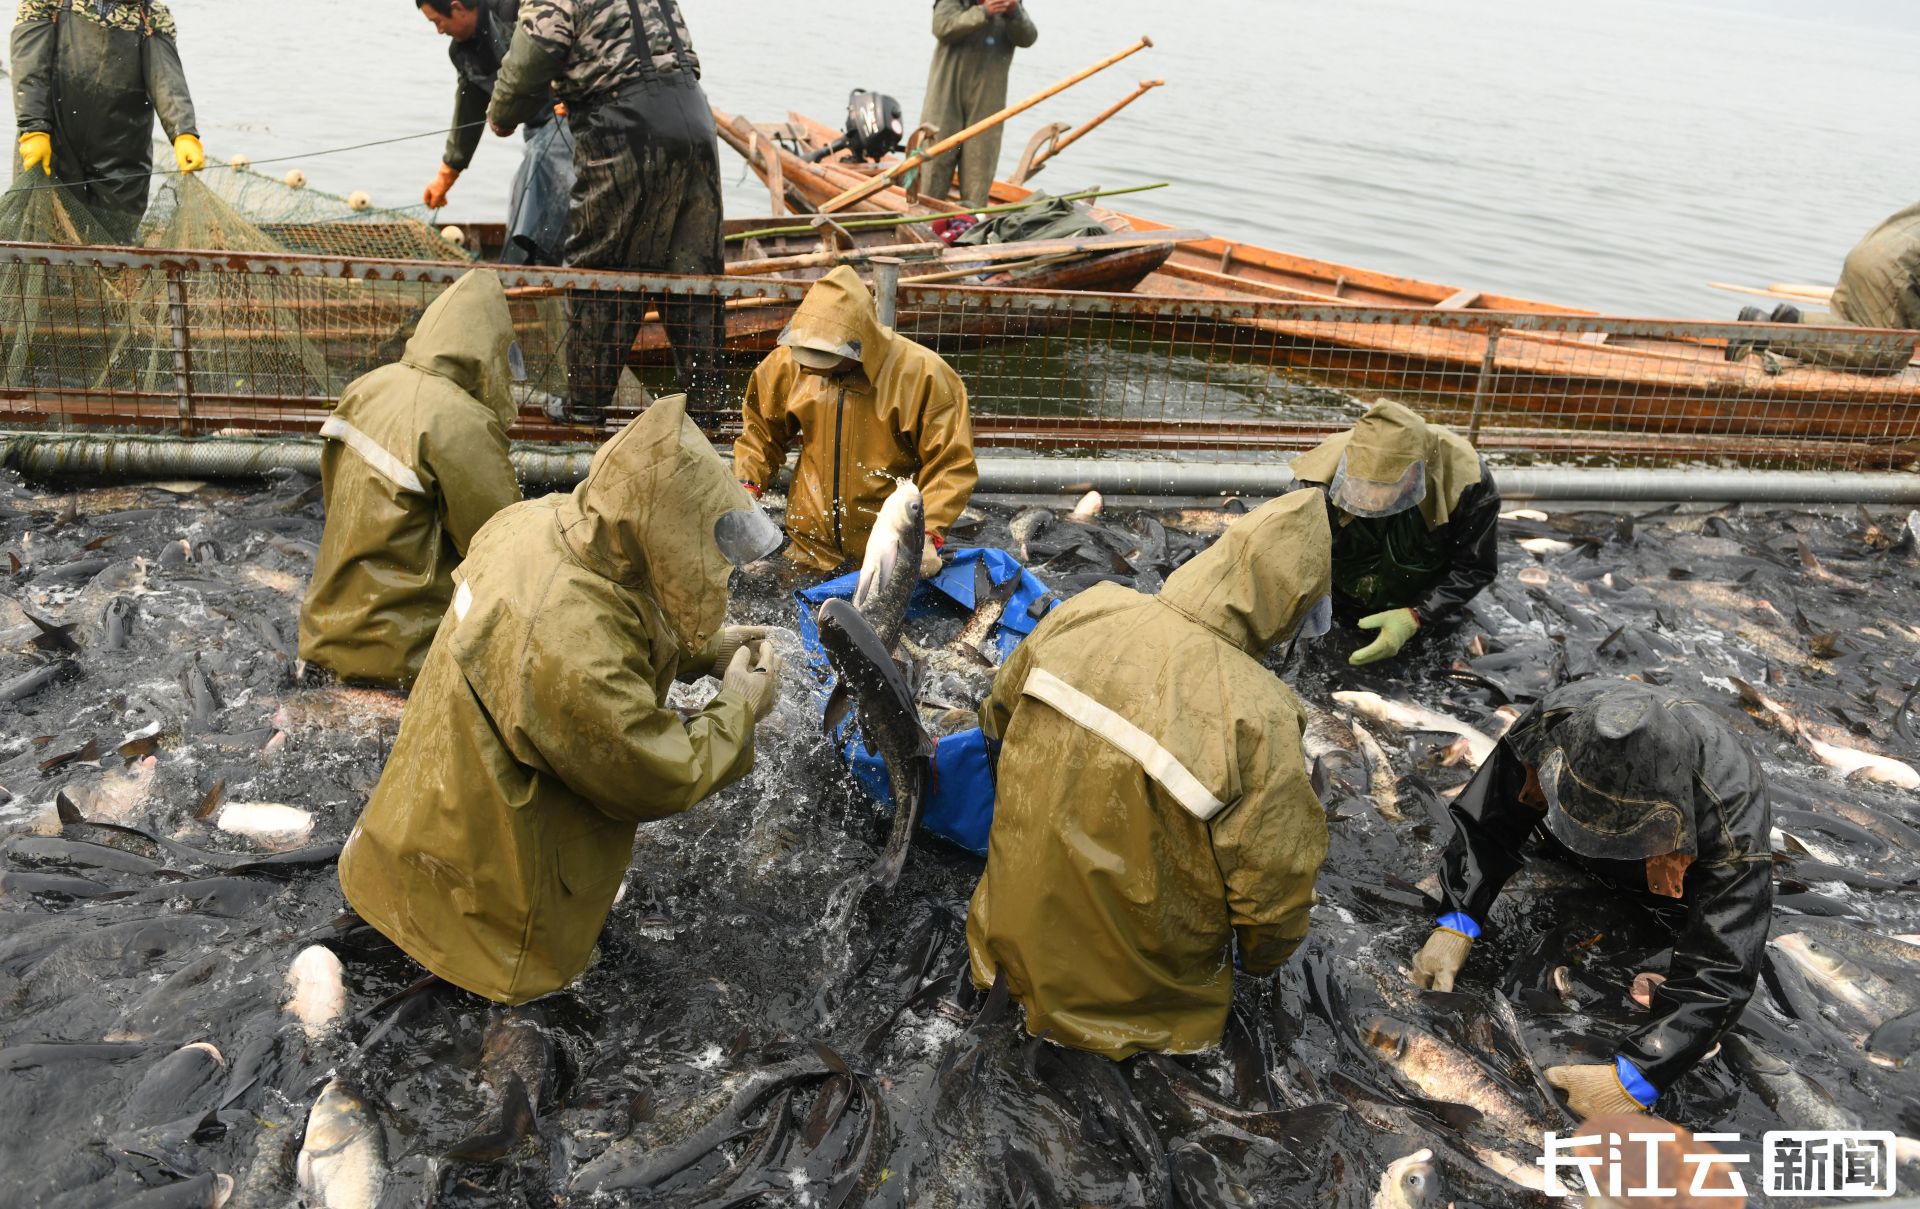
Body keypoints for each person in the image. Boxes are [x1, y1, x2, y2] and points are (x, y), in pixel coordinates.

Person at [338, 395, 788, 1005]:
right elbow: (655, 771)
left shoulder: (538, 522)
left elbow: (616, 607)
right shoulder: (568, 638)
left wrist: (699, 650)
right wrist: (736, 706)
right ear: (663, 528)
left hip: (415, 837)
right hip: (483, 922)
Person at [966, 489, 1334, 1059]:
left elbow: (995, 719)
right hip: (1137, 1012)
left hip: (997, 951)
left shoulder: (1092, 608)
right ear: (1292, 605)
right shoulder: (1261, 715)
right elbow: (1273, 896)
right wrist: (1262, 959)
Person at [1408, 679, 1772, 1119]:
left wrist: (1640, 1075)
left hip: (1665, 887)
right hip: (1561, 844)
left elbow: (1723, 965)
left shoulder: (1730, 810)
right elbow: (1488, 823)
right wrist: (1457, 918)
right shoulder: (1550, 725)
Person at [486, 0, 726, 426]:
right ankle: (708, 407)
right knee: (692, 275)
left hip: (626, 128)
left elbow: (538, 48)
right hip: (695, 121)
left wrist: (502, 113)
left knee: (599, 264)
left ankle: (584, 407)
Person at [298, 269, 524, 689]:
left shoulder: (367, 387)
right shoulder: (460, 421)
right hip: (402, 658)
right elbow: (503, 546)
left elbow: (335, 501)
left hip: (322, 633)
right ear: (490, 353)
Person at [733, 266, 977, 574]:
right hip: (806, 550)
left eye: (826, 360)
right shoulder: (787, 364)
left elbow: (950, 464)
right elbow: (760, 434)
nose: (814, 368)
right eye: (807, 357)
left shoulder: (924, 375)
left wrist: (929, 535)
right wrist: (746, 486)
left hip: (885, 554)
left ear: (863, 344)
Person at [1287, 400, 1499, 666]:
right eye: (1361, 484)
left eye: (1380, 486)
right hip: (1339, 596)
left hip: (1418, 602)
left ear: (1414, 475)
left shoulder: (1467, 482)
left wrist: (1416, 616)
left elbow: (1474, 567)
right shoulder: (1316, 479)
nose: (1370, 498)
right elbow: (1288, 556)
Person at [11, 0, 204, 243]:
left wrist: (183, 132)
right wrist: (33, 128)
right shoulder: (48, 4)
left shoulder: (152, 15)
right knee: (41, 236)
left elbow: (166, 79)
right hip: (53, 144)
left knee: (114, 247)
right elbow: (30, 69)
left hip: (122, 156)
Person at [416, 0, 575, 266]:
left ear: (457, 6)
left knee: (541, 171)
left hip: (572, 112)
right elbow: (468, 110)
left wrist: (574, 92)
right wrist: (447, 174)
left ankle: (530, 269)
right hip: (537, 129)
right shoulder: (463, 53)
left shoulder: (510, 11)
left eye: (437, 21)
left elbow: (557, 45)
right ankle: (525, 269)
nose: (439, 30)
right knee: (522, 190)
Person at [1726, 201, 1919, 375]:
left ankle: (1786, 324)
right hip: (1894, 269)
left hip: (1869, 253)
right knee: (1889, 354)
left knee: (1853, 329)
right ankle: (1774, 330)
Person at [918, 0, 1038, 208]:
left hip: (987, 99)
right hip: (946, 96)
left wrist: (1014, 12)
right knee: (936, 157)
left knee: (979, 165)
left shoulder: (1011, 6)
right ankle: (925, 217)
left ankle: (970, 225)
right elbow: (942, 28)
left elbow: (1028, 38)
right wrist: (983, 12)